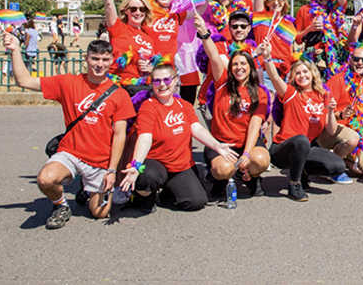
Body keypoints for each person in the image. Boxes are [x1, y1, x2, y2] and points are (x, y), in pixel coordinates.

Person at [5, 36, 134, 229]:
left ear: (111, 61)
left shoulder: (120, 94)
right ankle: (61, 206)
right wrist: (15, 50)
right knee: (45, 179)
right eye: (95, 59)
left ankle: (87, 187)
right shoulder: (68, 83)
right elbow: (24, 80)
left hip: (100, 160)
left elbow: (119, 135)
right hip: (71, 152)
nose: (100, 64)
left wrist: (111, 170)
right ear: (86, 58)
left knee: (100, 213)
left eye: (105, 60)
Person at [119, 64, 224, 213]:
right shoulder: (148, 107)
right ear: (151, 83)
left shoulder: (184, 105)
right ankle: (145, 196)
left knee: (196, 201)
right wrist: (135, 165)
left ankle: (168, 189)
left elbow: (197, 128)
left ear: (175, 81)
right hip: (154, 163)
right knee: (147, 178)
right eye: (157, 81)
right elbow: (144, 138)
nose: (162, 84)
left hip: (180, 165)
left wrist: (217, 145)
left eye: (167, 80)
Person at [260, 44, 349, 201]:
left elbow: (331, 131)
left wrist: (329, 110)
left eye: (305, 72)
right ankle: (295, 184)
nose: (302, 76)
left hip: (305, 148)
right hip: (282, 149)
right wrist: (267, 57)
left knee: (337, 166)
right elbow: (274, 77)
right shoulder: (290, 92)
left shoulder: (323, 96)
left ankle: (303, 171)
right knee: (301, 139)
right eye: (297, 73)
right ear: (293, 77)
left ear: (313, 74)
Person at [195, 13, 271, 199]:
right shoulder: (222, 82)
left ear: (250, 67)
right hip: (222, 143)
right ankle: (222, 179)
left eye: (243, 64)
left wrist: (246, 153)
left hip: (245, 142)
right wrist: (205, 34)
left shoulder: (259, 92)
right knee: (224, 169)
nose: (239, 67)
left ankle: (251, 176)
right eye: (235, 64)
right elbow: (214, 55)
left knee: (261, 160)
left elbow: (255, 125)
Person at [326, 47, 363, 180]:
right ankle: (332, 163)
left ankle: (339, 158)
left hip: (360, 135)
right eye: (356, 59)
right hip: (339, 133)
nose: (360, 63)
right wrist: (340, 114)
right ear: (350, 60)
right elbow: (324, 111)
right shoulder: (337, 81)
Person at [103, 0, 157, 95]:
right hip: (118, 87)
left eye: (142, 9)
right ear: (125, 11)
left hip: (142, 88)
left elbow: (156, 65)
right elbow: (109, 4)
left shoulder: (149, 37)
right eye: (133, 9)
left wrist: (151, 68)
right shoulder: (119, 29)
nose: (138, 12)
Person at [295, 0, 348, 80]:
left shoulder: (337, 7)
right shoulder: (304, 9)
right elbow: (297, 39)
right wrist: (310, 29)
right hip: (312, 61)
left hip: (335, 60)